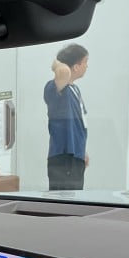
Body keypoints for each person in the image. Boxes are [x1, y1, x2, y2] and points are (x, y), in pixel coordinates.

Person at [44, 44, 90, 190]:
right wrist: (57, 62)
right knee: (64, 202)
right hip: (63, 156)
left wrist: (82, 151)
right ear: (76, 67)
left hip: (75, 155)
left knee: (76, 199)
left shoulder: (74, 89)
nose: (87, 66)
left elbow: (80, 125)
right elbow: (63, 71)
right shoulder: (56, 89)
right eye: (85, 62)